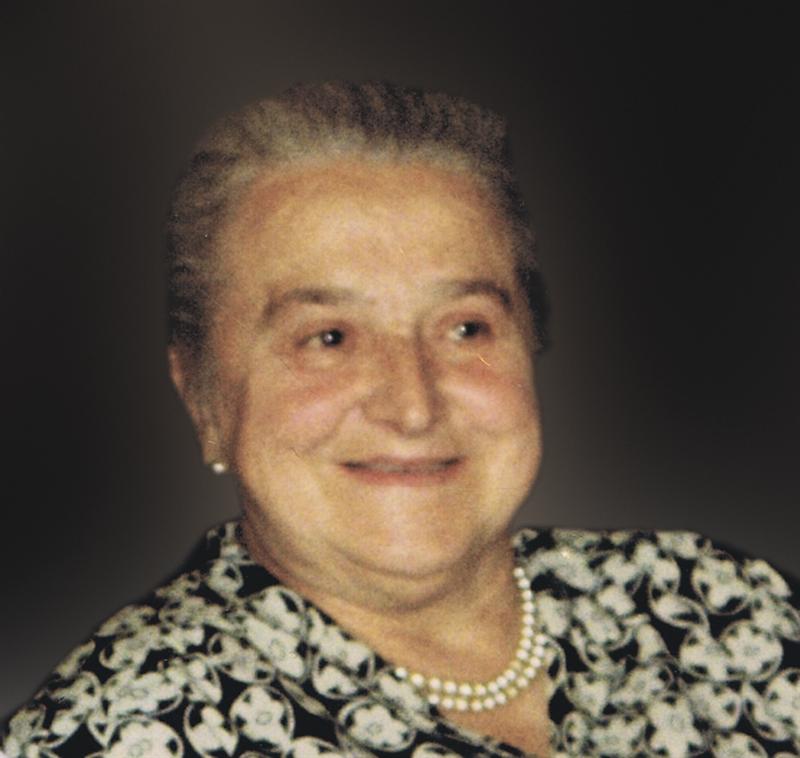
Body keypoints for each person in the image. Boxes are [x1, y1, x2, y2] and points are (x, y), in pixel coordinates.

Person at [3, 81, 799, 758]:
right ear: (202, 398)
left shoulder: (715, 606)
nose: (413, 405)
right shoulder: (121, 733)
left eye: (466, 328)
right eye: (328, 338)